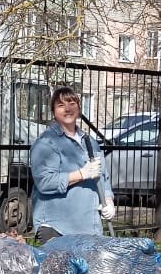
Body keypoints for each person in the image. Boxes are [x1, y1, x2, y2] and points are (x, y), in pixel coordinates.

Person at [30, 87, 116, 239]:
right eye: (61, 105)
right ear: (53, 111)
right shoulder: (46, 143)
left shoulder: (90, 142)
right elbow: (44, 182)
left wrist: (108, 200)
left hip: (89, 227)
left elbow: (103, 176)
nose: (68, 108)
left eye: (72, 103)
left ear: (79, 107)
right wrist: (82, 174)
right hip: (57, 228)